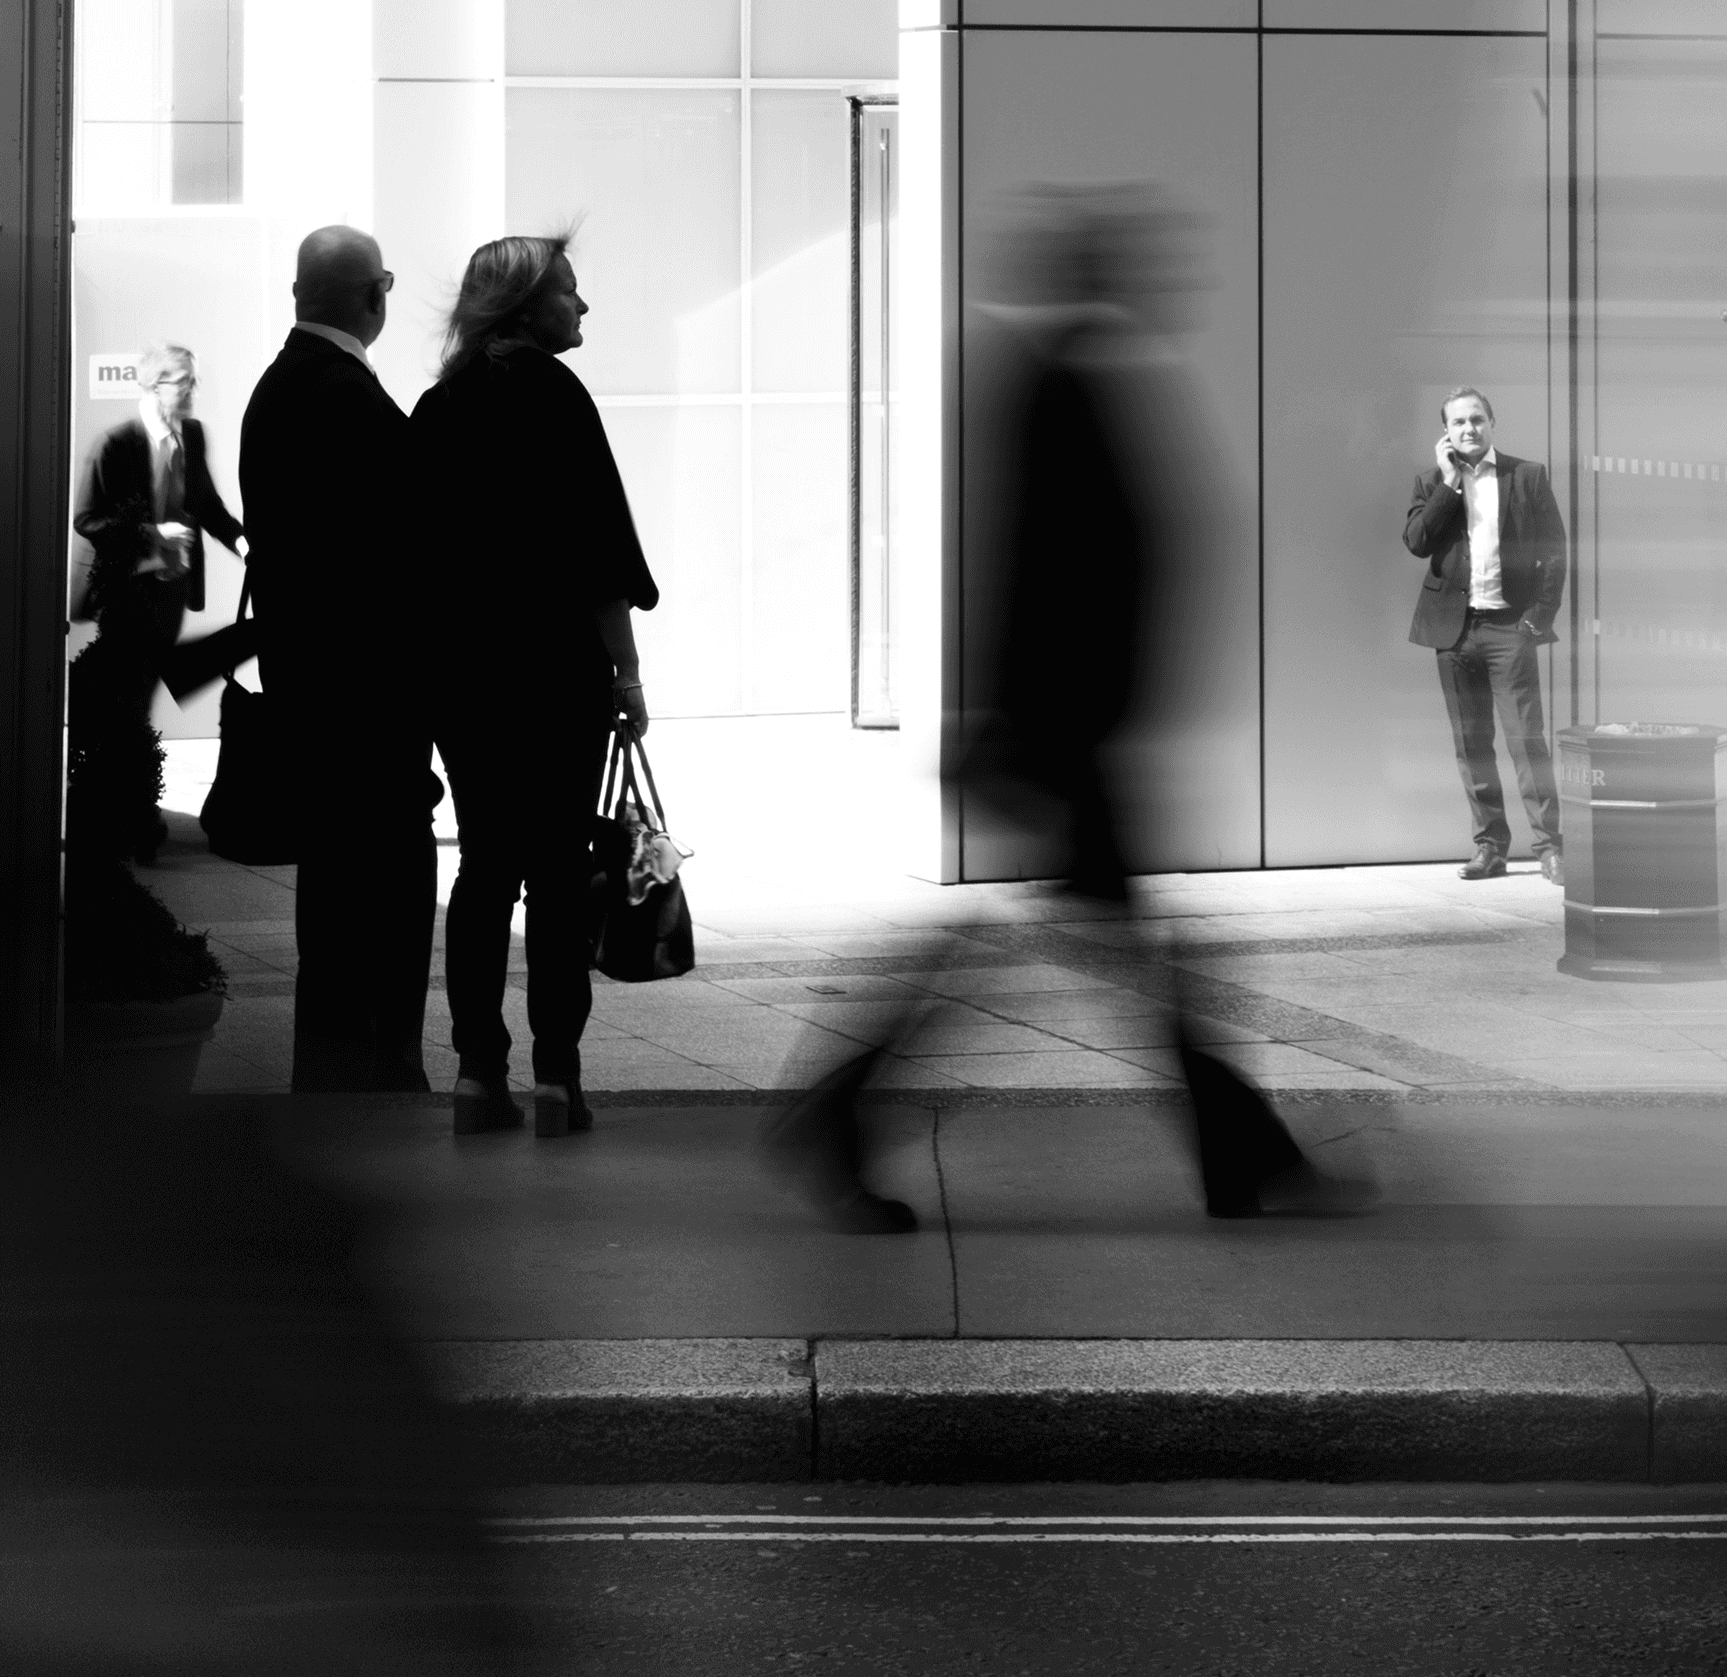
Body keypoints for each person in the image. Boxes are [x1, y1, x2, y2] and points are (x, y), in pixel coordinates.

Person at [769, 186, 1374, 1230]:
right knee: (1135, 959)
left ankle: (839, 1109)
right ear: (1094, 273)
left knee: (1120, 955)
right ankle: (1240, 1159)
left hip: (1065, 729)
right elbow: (1040, 568)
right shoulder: (1057, 381)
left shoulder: (1070, 373)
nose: (1167, 288)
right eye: (1140, 268)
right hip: (1063, 732)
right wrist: (1016, 723)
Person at [409, 235, 656, 1140]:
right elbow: (598, 551)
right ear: (526, 306)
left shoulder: (439, 406)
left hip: (466, 678)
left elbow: (415, 557)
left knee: (483, 868)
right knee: (557, 875)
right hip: (556, 674)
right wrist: (626, 670)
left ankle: (478, 1074)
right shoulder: (557, 396)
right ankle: (558, 1081)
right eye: (571, 293)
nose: (582, 309)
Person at [240, 228, 440, 1092]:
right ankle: (378, 1064)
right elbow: (392, 554)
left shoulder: (277, 388)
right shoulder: (345, 396)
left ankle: (330, 1064)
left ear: (296, 295)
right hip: (368, 699)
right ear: (377, 293)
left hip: (309, 686)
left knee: (331, 896)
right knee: (386, 886)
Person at [71, 343, 246, 863]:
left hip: (171, 590)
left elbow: (206, 504)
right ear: (152, 386)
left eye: (193, 380)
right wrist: (152, 533)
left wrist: (241, 542)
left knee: (141, 696)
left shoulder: (191, 435)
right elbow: (88, 519)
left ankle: (131, 813)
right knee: (130, 699)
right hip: (125, 590)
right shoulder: (115, 443)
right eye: (182, 381)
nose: (192, 390)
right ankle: (132, 817)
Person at [1404, 387, 1568, 884]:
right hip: (1453, 634)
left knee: (1526, 741)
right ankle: (1491, 849)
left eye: (1477, 420)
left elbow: (1556, 551)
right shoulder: (1432, 482)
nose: (1469, 429)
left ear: (1492, 423)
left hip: (1508, 629)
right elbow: (1417, 542)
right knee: (1471, 745)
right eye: (1458, 423)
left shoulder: (1528, 476)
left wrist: (1537, 618)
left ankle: (1550, 849)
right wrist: (1450, 484)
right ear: (1446, 433)